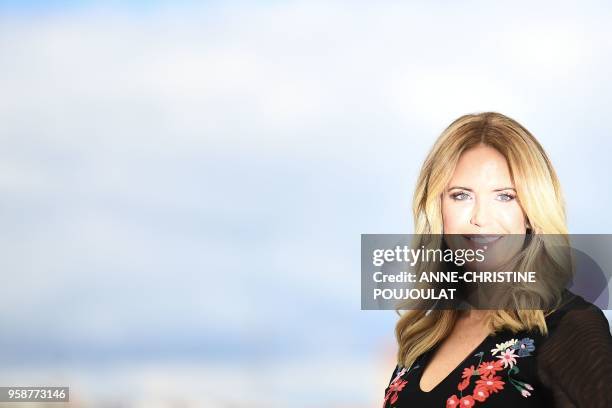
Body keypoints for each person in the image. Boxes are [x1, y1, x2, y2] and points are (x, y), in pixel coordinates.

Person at [383, 112, 612, 407]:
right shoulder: (423, 337)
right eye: (461, 195)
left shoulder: (569, 327)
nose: (480, 218)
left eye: (504, 196)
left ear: (531, 213)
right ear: (437, 209)